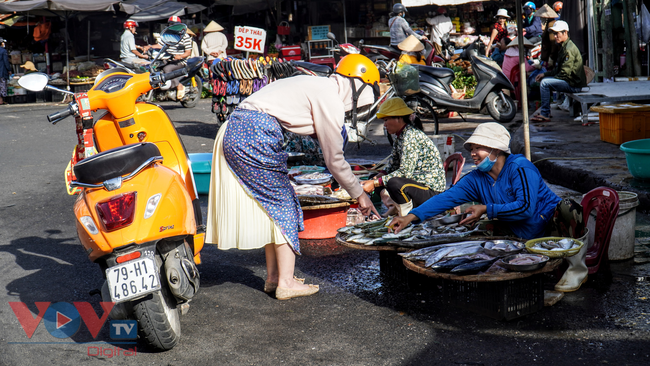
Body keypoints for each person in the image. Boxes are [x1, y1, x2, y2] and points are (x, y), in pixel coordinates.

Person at [205, 54, 381, 300]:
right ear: (357, 87)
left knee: (272, 207)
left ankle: (275, 277)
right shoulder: (329, 97)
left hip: (239, 130)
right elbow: (335, 161)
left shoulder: (318, 85)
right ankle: (286, 282)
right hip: (254, 133)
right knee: (284, 204)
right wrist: (361, 196)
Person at [388, 122, 562, 241]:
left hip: (549, 225)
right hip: (519, 232)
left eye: (478, 148)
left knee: (567, 209)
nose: (472, 153)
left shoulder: (520, 167)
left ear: (496, 150)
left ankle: (574, 267)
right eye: (472, 149)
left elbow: (525, 208)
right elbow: (445, 198)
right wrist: (410, 217)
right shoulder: (476, 178)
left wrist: (486, 209)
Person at [361, 97, 445, 217]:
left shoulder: (410, 137)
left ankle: (405, 215)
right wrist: (376, 178)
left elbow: (405, 173)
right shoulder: (400, 136)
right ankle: (393, 208)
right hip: (416, 185)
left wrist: (374, 183)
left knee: (393, 183)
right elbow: (393, 166)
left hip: (431, 192)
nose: (384, 125)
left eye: (386, 120)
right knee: (376, 177)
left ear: (399, 118)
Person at [531, 21, 587, 122]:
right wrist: (545, 74)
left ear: (565, 32)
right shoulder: (564, 46)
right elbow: (559, 69)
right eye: (554, 34)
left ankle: (545, 113)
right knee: (545, 80)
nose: (555, 36)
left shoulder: (568, 49)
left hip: (573, 84)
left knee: (544, 83)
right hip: (571, 81)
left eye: (557, 33)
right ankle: (545, 112)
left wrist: (549, 79)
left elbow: (564, 73)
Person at [146, 16, 192, 100]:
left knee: (167, 69)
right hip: (167, 58)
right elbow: (160, 45)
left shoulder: (185, 37)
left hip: (180, 61)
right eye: (171, 24)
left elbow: (188, 52)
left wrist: (179, 56)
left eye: (174, 24)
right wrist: (148, 47)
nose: (172, 26)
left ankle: (179, 86)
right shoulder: (167, 35)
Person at [0, 38, 9, 105]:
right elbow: (6, 61)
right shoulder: (3, 51)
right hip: (2, 72)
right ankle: (1, 100)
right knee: (3, 86)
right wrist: (9, 69)